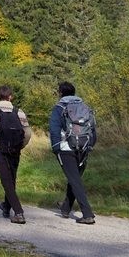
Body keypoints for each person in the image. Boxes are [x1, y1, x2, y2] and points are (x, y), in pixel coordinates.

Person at [0, 85, 30, 224]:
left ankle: (19, 212)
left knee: (6, 181)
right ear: (11, 96)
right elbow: (28, 133)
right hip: (15, 150)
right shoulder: (19, 112)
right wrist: (21, 146)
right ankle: (7, 207)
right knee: (11, 179)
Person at [49, 80, 96, 224]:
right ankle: (65, 208)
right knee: (74, 178)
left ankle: (87, 214)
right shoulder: (85, 107)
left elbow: (54, 129)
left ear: (61, 93)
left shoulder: (59, 108)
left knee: (74, 180)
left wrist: (56, 147)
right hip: (84, 146)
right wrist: (90, 145)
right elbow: (93, 127)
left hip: (66, 148)